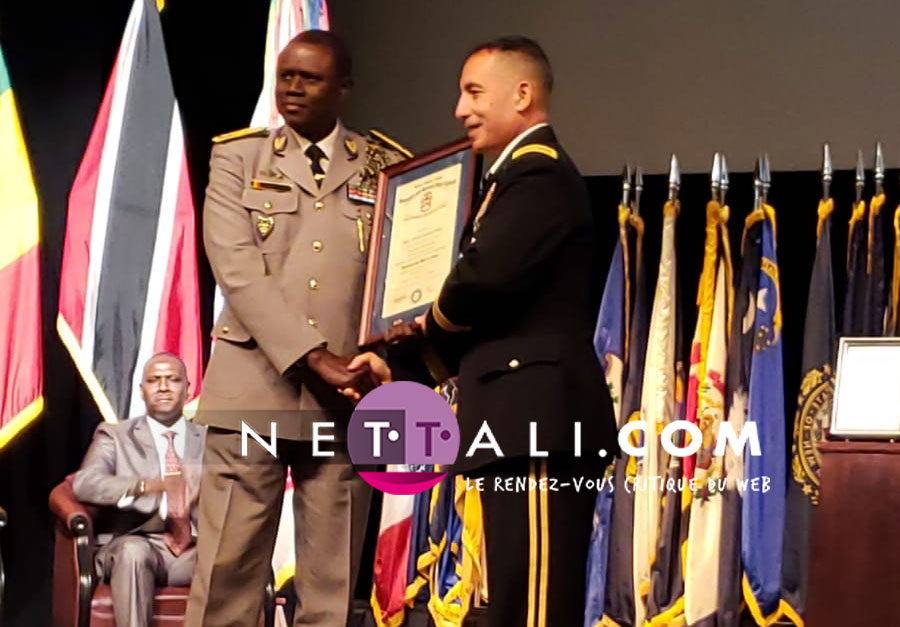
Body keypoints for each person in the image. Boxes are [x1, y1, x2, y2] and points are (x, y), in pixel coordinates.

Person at [392, 36, 619, 626]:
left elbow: (480, 281)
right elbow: (495, 313)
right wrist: (400, 366)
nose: (459, 110)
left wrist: (419, 319)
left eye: (473, 92)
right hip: (514, 417)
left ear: (522, 94)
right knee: (510, 598)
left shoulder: (537, 175)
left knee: (536, 603)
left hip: (538, 421)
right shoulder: (510, 177)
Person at [185, 30, 399, 627]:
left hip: (346, 397)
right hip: (253, 387)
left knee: (330, 588)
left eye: (309, 78)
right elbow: (237, 271)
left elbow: (396, 277)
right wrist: (314, 357)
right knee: (226, 576)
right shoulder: (237, 157)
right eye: (285, 77)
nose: (292, 89)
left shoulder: (387, 164)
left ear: (345, 88)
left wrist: (375, 358)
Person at [73, 352, 206, 627]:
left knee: (234, 553)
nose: (164, 387)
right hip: (138, 542)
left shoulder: (210, 439)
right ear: (141, 390)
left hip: (195, 547)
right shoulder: (115, 435)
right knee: (133, 552)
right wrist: (146, 487)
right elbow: (85, 483)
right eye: (154, 380)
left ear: (188, 388)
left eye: (173, 380)